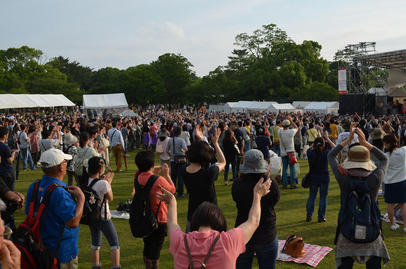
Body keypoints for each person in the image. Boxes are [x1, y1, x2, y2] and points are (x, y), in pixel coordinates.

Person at [158, 176, 271, 269]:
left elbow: (172, 223)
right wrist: (257, 195)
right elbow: (253, 221)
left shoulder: (179, 241)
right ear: (220, 222)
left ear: (194, 221)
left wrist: (172, 202)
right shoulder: (228, 242)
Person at [328, 127, 390, 268]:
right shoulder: (375, 178)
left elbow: (331, 156)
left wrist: (348, 140)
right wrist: (365, 143)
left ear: (350, 160)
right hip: (371, 229)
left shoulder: (343, 178)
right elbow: (384, 159)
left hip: (347, 229)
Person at [25, 148, 85, 268]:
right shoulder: (59, 192)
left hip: (39, 247)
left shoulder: (35, 186)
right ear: (60, 168)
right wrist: (81, 198)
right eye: (64, 162)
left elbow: (29, 214)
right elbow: (73, 222)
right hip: (61, 252)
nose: (66, 164)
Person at [232, 149, 280, 269]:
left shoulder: (238, 184)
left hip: (243, 232)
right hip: (266, 232)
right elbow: (274, 201)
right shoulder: (270, 184)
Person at [134, 151, 176, 269]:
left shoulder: (137, 178)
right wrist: (167, 174)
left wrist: (153, 172)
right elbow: (172, 190)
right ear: (152, 164)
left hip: (144, 217)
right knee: (155, 251)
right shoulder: (158, 180)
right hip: (159, 219)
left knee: (147, 246)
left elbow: (145, 178)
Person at [182, 126, 226, 232]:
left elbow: (198, 153)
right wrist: (215, 143)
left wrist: (201, 141)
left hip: (192, 215)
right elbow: (223, 162)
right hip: (210, 217)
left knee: (191, 246)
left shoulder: (184, 170)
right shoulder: (209, 173)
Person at [86, 157, 120, 269]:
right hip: (104, 216)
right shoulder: (103, 184)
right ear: (100, 169)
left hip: (92, 216)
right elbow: (110, 198)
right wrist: (108, 183)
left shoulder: (85, 181)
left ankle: (95, 266)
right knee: (114, 244)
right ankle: (116, 266)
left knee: (95, 243)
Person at [305, 135, 335, 223]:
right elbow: (335, 148)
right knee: (323, 198)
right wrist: (327, 139)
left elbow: (310, 148)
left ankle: (309, 215)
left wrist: (316, 141)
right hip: (324, 177)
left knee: (312, 197)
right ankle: (321, 217)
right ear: (324, 145)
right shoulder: (326, 153)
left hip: (313, 177)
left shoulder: (310, 152)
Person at [382, 134, 406, 232]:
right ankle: (405, 226)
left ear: (387, 144)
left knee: (390, 205)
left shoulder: (385, 156)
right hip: (402, 182)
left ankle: (393, 224)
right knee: (403, 205)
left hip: (390, 183)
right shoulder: (404, 151)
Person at [0, 127, 20, 230]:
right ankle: (8, 215)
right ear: (4, 135)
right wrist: (14, 152)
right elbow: (10, 160)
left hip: (2, 172)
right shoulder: (4, 146)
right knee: (9, 194)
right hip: (7, 171)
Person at [166, 127, 187, 198]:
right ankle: (180, 193)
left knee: (173, 177)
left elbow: (167, 150)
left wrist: (171, 155)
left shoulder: (170, 140)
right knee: (180, 177)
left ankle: (173, 192)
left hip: (173, 160)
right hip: (181, 160)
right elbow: (185, 149)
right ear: (180, 133)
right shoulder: (181, 140)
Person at [278, 117, 298, 189]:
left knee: (284, 168)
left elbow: (279, 126)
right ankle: (293, 184)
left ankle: (284, 183)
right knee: (292, 168)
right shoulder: (291, 131)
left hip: (283, 152)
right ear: (289, 125)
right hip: (291, 151)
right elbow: (296, 127)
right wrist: (291, 121)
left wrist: (283, 121)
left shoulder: (279, 131)